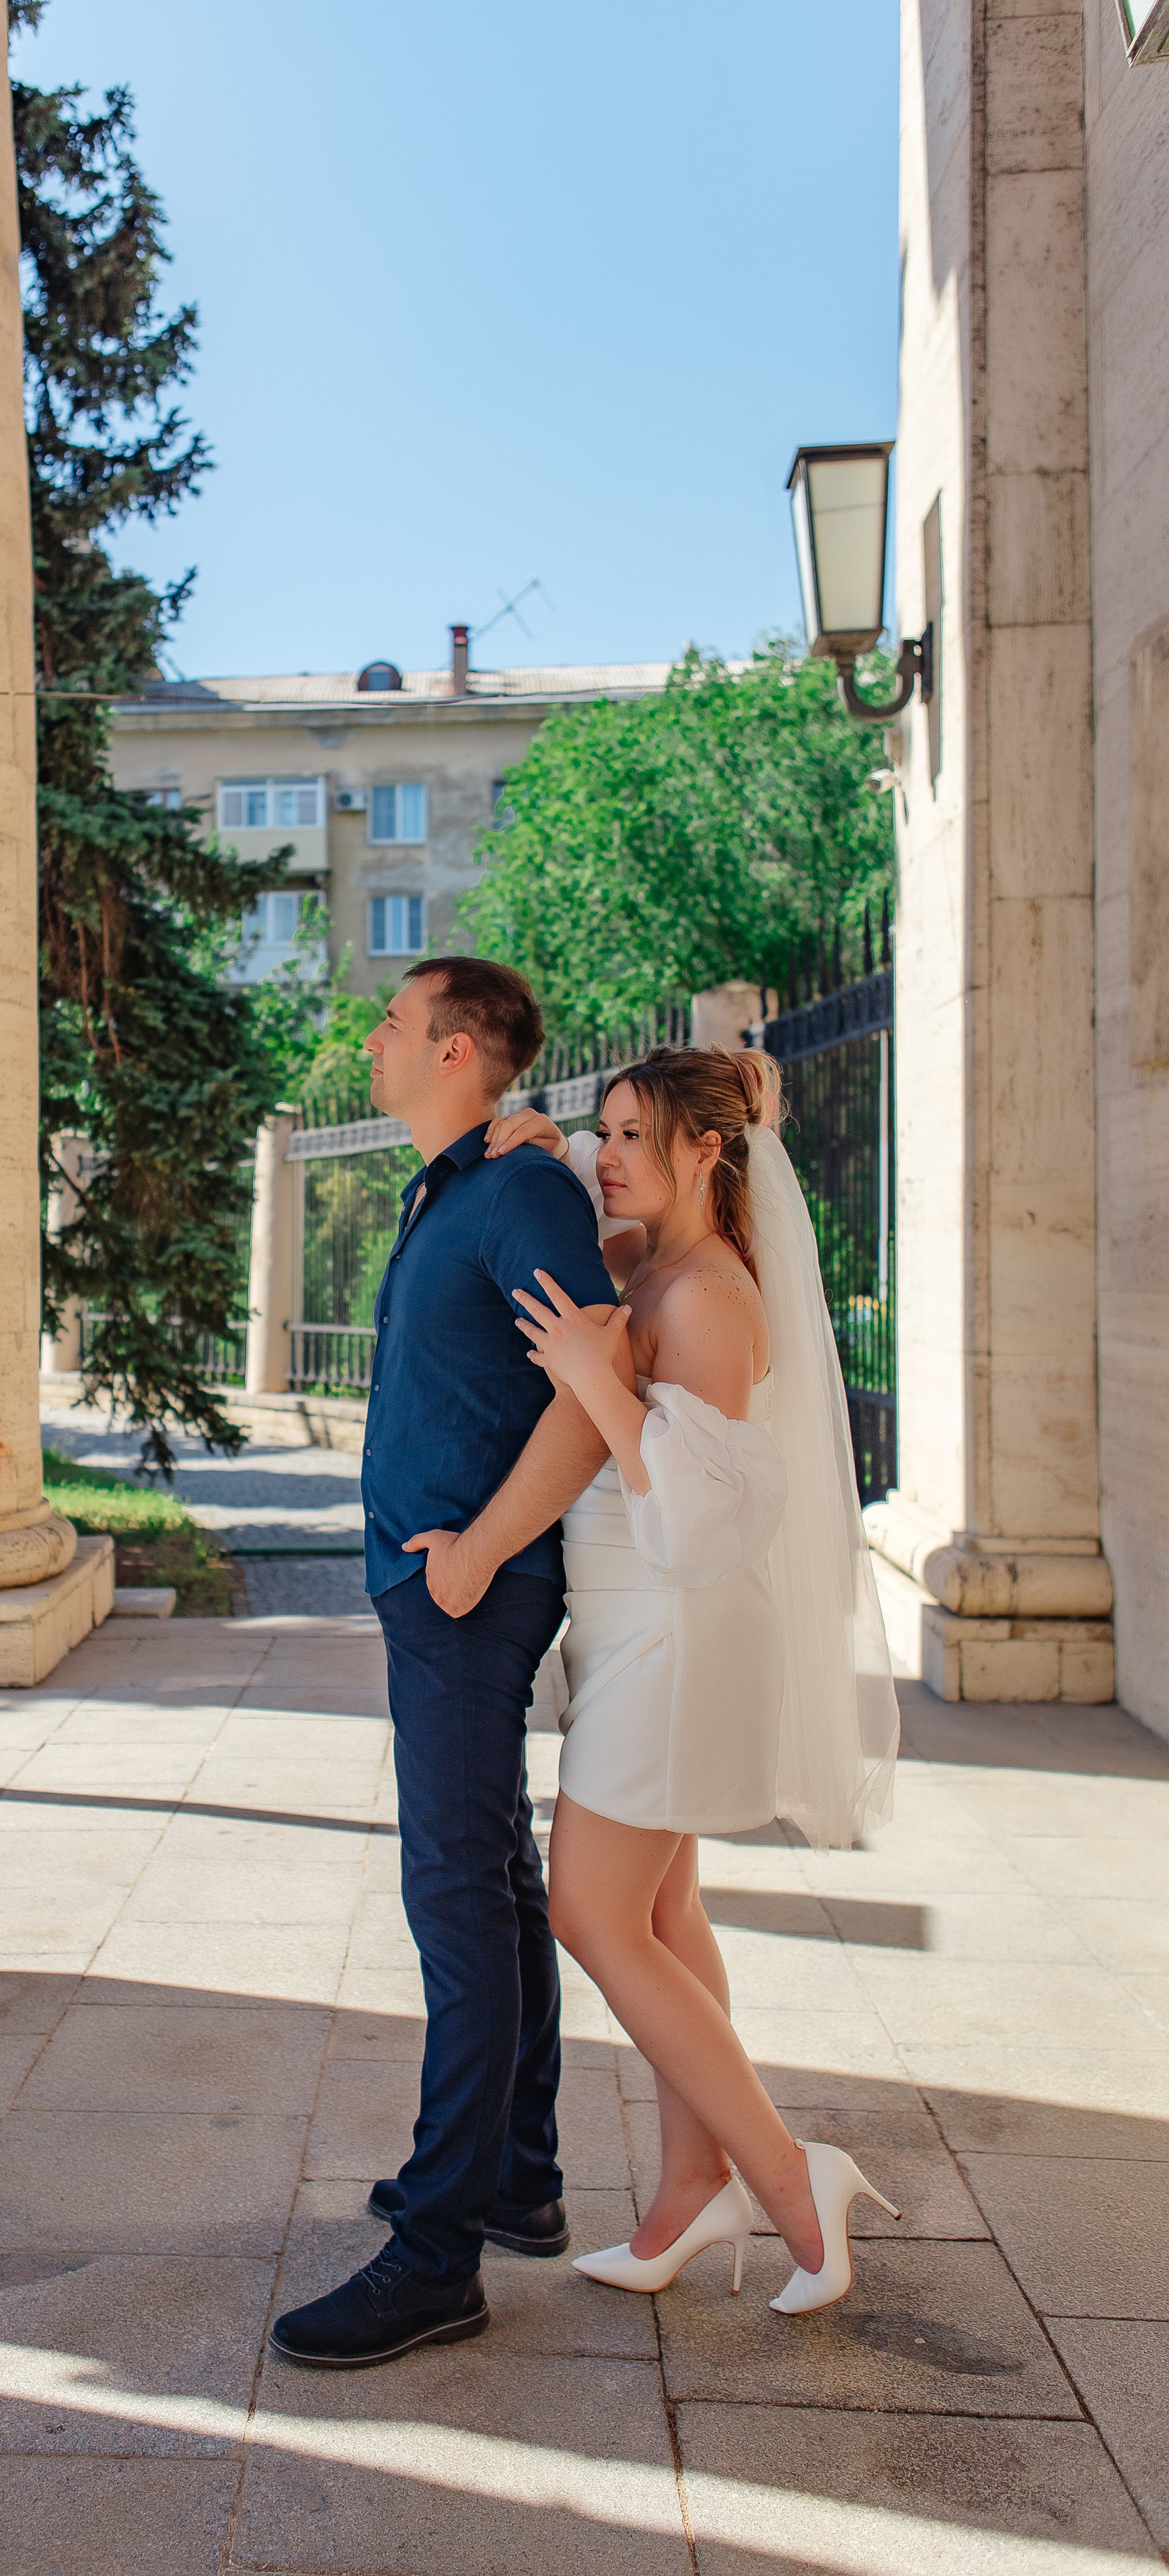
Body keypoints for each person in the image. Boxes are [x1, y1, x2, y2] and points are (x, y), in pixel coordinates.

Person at [493, 1047, 901, 2316]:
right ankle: (686, 2193)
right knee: (666, 1917)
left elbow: (708, 1522)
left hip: (677, 1633)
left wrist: (595, 1384)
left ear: (706, 1152)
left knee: (592, 1914)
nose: (610, 1156)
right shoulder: (654, 1262)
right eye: (606, 1131)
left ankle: (789, 2180)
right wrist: (550, 1142)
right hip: (634, 1631)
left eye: (634, 1136)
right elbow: (599, 1206)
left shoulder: (712, 1294)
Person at [268, 958, 617, 2370]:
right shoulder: (464, 1181)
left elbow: (596, 1392)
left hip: (471, 1593)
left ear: (457, 1048)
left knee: (454, 1897)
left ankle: (436, 2258)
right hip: (440, 1588)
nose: (373, 1039)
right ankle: (514, 2178)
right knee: (495, 1878)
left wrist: (473, 1554)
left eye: (395, 1023)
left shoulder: (523, 1190)